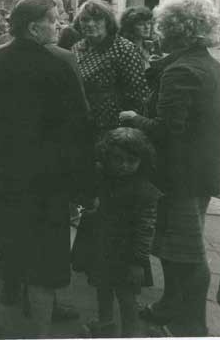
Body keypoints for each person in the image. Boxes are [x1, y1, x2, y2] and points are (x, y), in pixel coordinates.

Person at [0, 0, 94, 338]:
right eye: (54, 19)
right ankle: (40, 333)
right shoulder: (61, 63)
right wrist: (82, 185)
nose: (59, 24)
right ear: (33, 26)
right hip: (45, 184)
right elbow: (79, 128)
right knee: (43, 266)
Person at [119, 0, 220, 337]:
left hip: (180, 175)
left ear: (180, 30)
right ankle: (170, 305)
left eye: (162, 26)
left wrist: (134, 118)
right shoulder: (209, 64)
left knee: (188, 252)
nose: (156, 32)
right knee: (173, 246)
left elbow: (167, 130)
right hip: (200, 171)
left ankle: (191, 325)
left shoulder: (180, 71)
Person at [79, 127, 162, 337]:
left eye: (131, 160)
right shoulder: (102, 179)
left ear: (142, 160)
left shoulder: (145, 192)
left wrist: (138, 262)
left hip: (128, 256)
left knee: (127, 298)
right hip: (102, 248)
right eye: (118, 159)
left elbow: (146, 230)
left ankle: (129, 334)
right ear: (107, 157)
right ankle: (105, 326)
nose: (124, 165)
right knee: (102, 289)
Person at [72, 0, 149, 133]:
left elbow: (138, 94)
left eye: (97, 19)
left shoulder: (124, 49)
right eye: (85, 19)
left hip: (112, 127)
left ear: (107, 22)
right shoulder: (77, 48)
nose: (90, 24)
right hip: (81, 123)